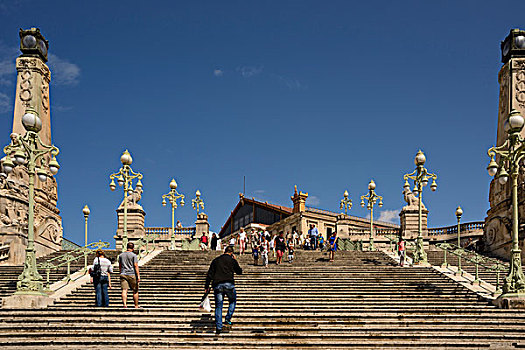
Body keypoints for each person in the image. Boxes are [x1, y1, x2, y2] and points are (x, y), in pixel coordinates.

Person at [205, 246, 243, 335]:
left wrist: (206, 286)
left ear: (224, 251)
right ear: (232, 253)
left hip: (217, 285)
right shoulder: (232, 260)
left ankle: (219, 326)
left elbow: (210, 274)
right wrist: (235, 260)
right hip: (229, 284)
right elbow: (239, 271)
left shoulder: (216, 260)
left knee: (219, 306)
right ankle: (227, 318)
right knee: (232, 301)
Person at [119, 242, 140, 308]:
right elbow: (135, 265)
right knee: (135, 291)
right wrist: (138, 275)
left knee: (124, 290)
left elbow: (120, 265)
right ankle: (136, 305)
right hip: (132, 274)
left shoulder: (121, 255)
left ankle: (125, 304)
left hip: (123, 273)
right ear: (133, 248)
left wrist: (121, 272)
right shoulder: (134, 255)